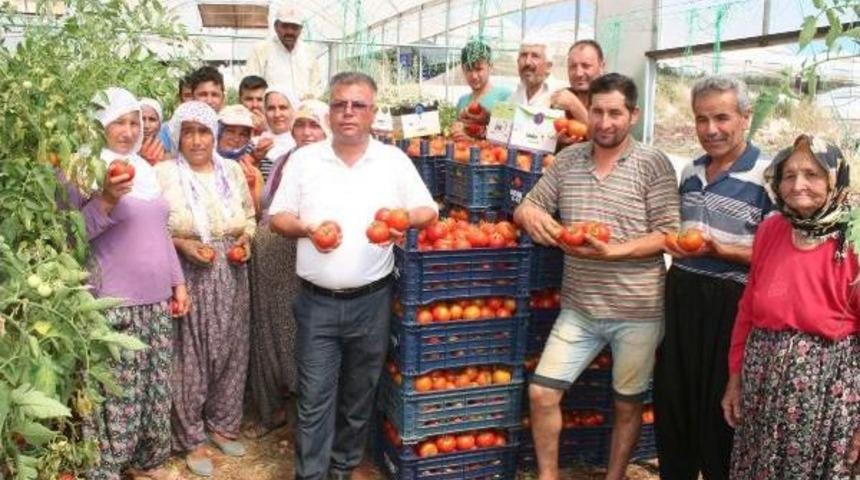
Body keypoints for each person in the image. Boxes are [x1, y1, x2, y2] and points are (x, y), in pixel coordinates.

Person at [268, 72, 438, 480]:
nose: (348, 112)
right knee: (314, 397)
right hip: (316, 303)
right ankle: (311, 474)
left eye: (358, 105)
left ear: (372, 113)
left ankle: (342, 468)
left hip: (371, 300)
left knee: (360, 396)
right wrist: (308, 228)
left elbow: (428, 211)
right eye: (340, 104)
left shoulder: (392, 161)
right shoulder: (305, 160)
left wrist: (402, 218)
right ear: (329, 112)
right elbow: (277, 218)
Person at [513, 73, 680, 480]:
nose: (605, 122)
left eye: (615, 113)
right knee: (542, 391)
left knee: (627, 403)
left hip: (637, 309)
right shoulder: (568, 160)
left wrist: (613, 251)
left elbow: (668, 234)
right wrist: (530, 215)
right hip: (580, 309)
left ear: (633, 115)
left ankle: (615, 476)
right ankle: (548, 476)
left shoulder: (652, 163)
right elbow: (528, 206)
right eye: (598, 112)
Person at [653, 76, 773, 480]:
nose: (711, 129)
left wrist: (720, 250)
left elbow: (775, 257)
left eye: (722, 117)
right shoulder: (691, 170)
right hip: (683, 292)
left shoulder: (768, 176)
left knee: (719, 411)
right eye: (701, 119)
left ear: (745, 117)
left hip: (731, 304)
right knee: (675, 401)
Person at [721, 134, 860, 479]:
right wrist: (735, 378)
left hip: (827, 392)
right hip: (762, 383)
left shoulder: (853, 240)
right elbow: (748, 309)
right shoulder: (771, 229)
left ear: (833, 179)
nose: (798, 185)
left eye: (812, 174)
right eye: (789, 175)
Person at [68, 87, 190, 480]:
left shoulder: (146, 170)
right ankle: (107, 466)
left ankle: (147, 459)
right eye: (117, 121)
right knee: (116, 392)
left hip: (155, 301)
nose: (127, 130)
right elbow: (70, 239)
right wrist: (105, 198)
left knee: (153, 386)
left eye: (134, 121)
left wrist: (178, 282)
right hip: (111, 301)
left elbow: (160, 231)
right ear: (99, 125)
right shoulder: (84, 169)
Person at [155, 101, 256, 477]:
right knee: (191, 354)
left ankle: (222, 423)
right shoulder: (163, 173)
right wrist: (182, 245)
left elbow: (248, 216)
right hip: (187, 269)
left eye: (204, 131)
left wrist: (245, 241)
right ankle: (191, 437)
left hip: (230, 269)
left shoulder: (230, 170)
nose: (197, 140)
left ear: (214, 134)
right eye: (189, 132)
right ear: (177, 135)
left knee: (231, 347)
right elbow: (155, 227)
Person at [244, 99, 330, 441]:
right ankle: (272, 409)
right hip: (268, 255)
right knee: (267, 330)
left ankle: (301, 415)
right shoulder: (282, 160)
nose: (307, 132)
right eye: (301, 125)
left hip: (300, 257)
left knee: (295, 332)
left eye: (314, 125)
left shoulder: (329, 165)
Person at [244, 4, 323, 101]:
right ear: (276, 27)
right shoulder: (261, 50)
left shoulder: (308, 52)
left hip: (302, 112)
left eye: (294, 27)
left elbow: (316, 87)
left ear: (301, 29)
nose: (290, 32)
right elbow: (250, 86)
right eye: (285, 26)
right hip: (271, 112)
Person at [451, 40, 511, 140]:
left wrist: (471, 141)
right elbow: (459, 132)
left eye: (479, 69)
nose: (474, 76)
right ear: (463, 69)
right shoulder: (462, 101)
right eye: (469, 70)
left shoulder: (504, 97)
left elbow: (505, 137)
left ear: (490, 67)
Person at [216, 104, 265, 211]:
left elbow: (257, 215)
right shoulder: (202, 166)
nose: (236, 139)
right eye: (230, 131)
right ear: (218, 131)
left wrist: (250, 188)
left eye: (243, 134)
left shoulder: (253, 173)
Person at [551, 39, 605, 128]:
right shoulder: (562, 100)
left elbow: (607, 139)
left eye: (586, 66)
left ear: (601, 67)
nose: (578, 73)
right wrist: (557, 140)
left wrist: (575, 106)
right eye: (572, 66)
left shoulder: (611, 99)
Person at [258, 84, 300, 179]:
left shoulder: (304, 144)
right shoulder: (256, 145)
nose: (277, 114)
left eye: (283, 108)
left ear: (294, 109)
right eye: (271, 108)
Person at [509, 37, 561, 108]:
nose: (527, 62)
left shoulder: (560, 95)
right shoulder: (512, 97)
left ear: (548, 66)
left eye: (535, 56)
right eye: (524, 55)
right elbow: (500, 118)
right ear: (517, 62)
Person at [139, 97, 166, 165]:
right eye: (142, 119)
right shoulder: (124, 151)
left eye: (152, 119)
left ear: (159, 124)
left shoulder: (167, 154)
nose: (146, 126)